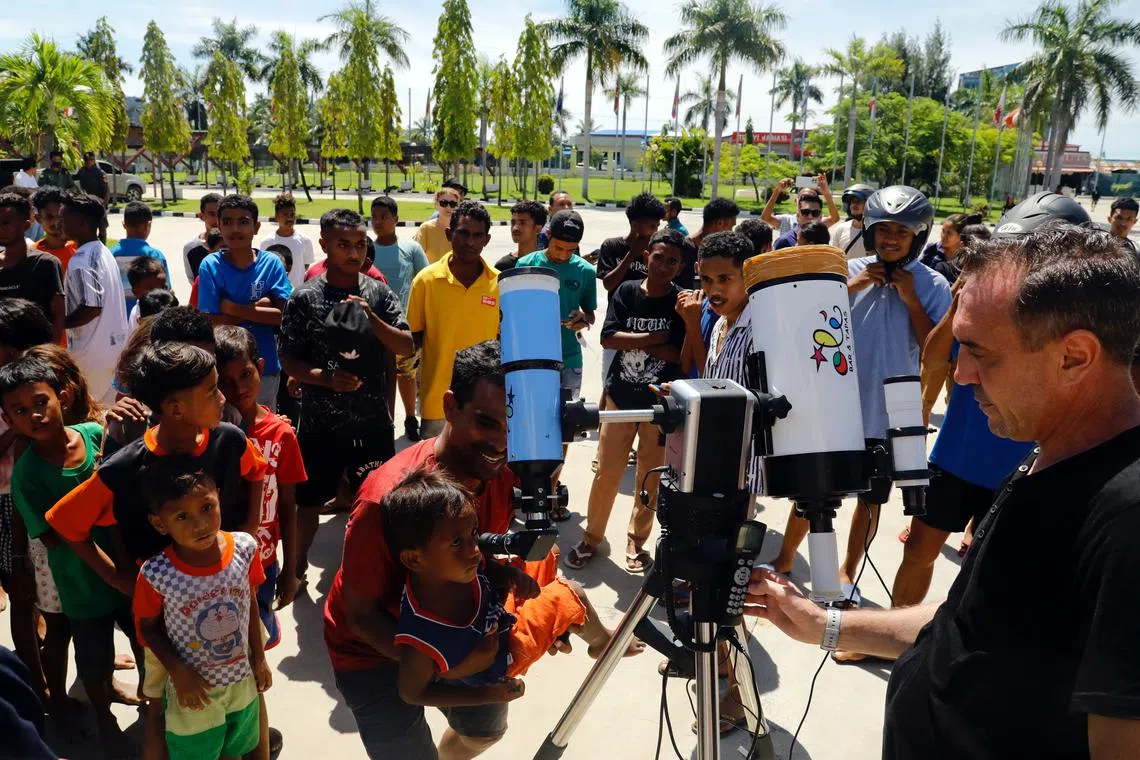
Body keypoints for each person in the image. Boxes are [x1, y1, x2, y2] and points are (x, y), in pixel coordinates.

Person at [748, 222, 1140, 759]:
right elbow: (967, 620)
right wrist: (828, 625)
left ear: (1074, 356)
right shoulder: (1049, 455)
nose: (962, 375)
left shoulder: (1126, 517)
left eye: (982, 353)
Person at [323, 340, 640, 760]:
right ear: (450, 406)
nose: (502, 442)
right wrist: (443, 665)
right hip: (370, 652)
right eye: (487, 421)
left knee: (485, 732)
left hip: (463, 637)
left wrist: (503, 579)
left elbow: (477, 558)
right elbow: (359, 612)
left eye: (515, 425)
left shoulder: (505, 474)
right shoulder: (385, 501)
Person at [768, 186, 952, 655]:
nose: (891, 239)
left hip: (891, 409)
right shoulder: (843, 272)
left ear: (917, 235)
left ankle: (848, 570)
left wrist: (910, 298)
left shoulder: (932, 284)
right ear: (869, 232)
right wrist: (852, 286)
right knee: (814, 489)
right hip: (836, 401)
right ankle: (784, 560)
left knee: (871, 499)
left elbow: (935, 355)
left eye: (902, 231)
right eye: (883, 230)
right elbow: (806, 322)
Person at [389, 469, 638, 710]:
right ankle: (602, 643)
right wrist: (485, 695)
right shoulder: (423, 635)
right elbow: (412, 693)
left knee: (546, 554)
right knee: (571, 594)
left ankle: (557, 626)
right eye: (456, 542)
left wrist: (511, 575)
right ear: (414, 560)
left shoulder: (450, 567)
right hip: (507, 653)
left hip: (499, 612)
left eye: (473, 535)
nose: (474, 549)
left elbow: (486, 569)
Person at [2, 354, 141, 755]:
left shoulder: (96, 433)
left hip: (126, 574)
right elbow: (53, 536)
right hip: (81, 586)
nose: (34, 415)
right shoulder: (27, 475)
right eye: (20, 411)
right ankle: (104, 721)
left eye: (40, 401)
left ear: (63, 397)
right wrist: (99, 494)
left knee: (140, 643)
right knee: (93, 663)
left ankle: (155, 706)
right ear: (9, 421)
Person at [280, 208, 412, 583]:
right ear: (324, 245)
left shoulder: (378, 292)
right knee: (308, 502)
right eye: (343, 245)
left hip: (371, 423)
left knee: (378, 502)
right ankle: (296, 569)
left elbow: (405, 344)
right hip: (320, 422)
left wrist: (373, 319)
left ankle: (380, 573)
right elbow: (288, 358)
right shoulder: (305, 298)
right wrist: (324, 378)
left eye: (359, 244)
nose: (353, 252)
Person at [564, 228, 686, 572]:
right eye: (658, 257)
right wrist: (653, 338)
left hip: (660, 407)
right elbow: (607, 339)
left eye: (672, 261)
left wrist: (633, 340)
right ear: (647, 256)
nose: (663, 265)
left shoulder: (680, 302)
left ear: (679, 267)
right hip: (619, 400)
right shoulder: (627, 292)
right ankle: (592, 538)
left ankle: (637, 540)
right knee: (606, 473)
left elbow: (675, 352)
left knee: (650, 477)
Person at [133, 466, 271, 760]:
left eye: (207, 507)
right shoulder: (157, 573)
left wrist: (259, 658)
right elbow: (148, 628)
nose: (200, 524)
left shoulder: (245, 548)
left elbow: (251, 603)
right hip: (194, 691)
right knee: (197, 750)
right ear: (159, 524)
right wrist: (178, 672)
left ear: (218, 498)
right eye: (182, 517)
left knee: (234, 747)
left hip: (240, 681)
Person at [214, 325, 306, 644]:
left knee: (259, 642)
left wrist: (291, 570)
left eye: (245, 374)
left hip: (264, 562)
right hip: (217, 567)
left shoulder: (281, 435)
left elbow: (288, 505)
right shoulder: (208, 436)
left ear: (261, 369)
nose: (238, 388)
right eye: (224, 381)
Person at [406, 201, 500, 439]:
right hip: (437, 404)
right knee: (437, 474)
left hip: (486, 404)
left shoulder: (500, 284)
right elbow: (412, 340)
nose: (470, 242)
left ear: (486, 240)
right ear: (449, 234)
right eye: (464, 233)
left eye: (478, 236)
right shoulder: (425, 281)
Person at [197, 193, 293, 411]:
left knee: (262, 430)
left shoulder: (271, 263)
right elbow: (213, 322)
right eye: (228, 222)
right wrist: (260, 307)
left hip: (265, 366)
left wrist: (232, 308)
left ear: (256, 226)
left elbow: (283, 316)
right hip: (223, 371)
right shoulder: (210, 265)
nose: (235, 229)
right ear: (219, 227)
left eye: (243, 222)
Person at [369, 196, 430, 440]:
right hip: (375, 326)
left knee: (407, 374)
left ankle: (409, 417)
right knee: (381, 377)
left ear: (396, 219)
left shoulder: (411, 248)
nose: (378, 222)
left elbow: (424, 281)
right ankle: (384, 420)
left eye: (384, 217)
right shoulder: (368, 249)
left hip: (405, 326)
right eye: (374, 217)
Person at [62, 190, 129, 403]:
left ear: (82, 223)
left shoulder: (82, 260)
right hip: (111, 353)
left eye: (65, 219)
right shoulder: (102, 251)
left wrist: (57, 323)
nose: (59, 224)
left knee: (89, 417)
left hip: (91, 356)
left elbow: (91, 307)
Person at [0, 192, 66, 344]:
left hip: (34, 359)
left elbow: (58, 315)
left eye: (6, 223)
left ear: (27, 225)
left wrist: (48, 355)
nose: (1, 228)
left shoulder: (45, 264)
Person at [595, 192, 666, 292]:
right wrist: (631, 255)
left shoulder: (656, 251)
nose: (655, 231)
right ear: (634, 225)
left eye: (657, 226)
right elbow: (608, 285)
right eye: (652, 226)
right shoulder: (611, 246)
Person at [111, 201, 171, 315]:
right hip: (148, 319)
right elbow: (167, 292)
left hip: (118, 319)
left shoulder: (111, 254)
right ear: (148, 225)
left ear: (124, 224)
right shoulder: (156, 256)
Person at [258, 192, 315, 290]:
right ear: (276, 217)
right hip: (274, 292)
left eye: (292, 214)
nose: (289, 218)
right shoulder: (267, 242)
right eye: (285, 214)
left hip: (296, 293)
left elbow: (305, 265)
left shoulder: (305, 240)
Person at [761, 176, 839, 239]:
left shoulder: (818, 220)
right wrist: (777, 191)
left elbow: (834, 218)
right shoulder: (787, 220)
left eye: (811, 198)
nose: (810, 216)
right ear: (796, 201)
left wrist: (826, 192)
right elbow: (766, 217)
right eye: (803, 197)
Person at [32, 185, 77, 276]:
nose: (56, 222)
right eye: (49, 216)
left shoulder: (79, 249)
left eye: (60, 216)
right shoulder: (32, 255)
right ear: (38, 218)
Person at [495, 200, 547, 271]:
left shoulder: (547, 264)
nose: (515, 228)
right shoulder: (503, 266)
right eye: (513, 223)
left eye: (522, 223)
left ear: (538, 229)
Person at [414, 187, 462, 264]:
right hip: (431, 274)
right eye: (444, 203)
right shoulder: (426, 228)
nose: (448, 207)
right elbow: (415, 256)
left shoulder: (462, 230)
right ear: (436, 204)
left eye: (453, 204)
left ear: (458, 206)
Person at [182, 193, 222, 284]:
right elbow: (193, 281)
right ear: (201, 216)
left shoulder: (235, 244)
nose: (217, 220)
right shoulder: (190, 248)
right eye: (212, 214)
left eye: (219, 214)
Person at [829, 183, 875, 259]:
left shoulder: (877, 232)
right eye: (852, 202)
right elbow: (834, 257)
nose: (853, 205)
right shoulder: (841, 229)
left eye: (858, 202)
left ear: (869, 205)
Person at [126, 257, 169, 332]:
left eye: (164, 288)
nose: (161, 294)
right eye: (152, 291)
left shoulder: (169, 309)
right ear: (136, 292)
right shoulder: (141, 315)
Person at [75, 153, 110, 243]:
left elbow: (106, 190)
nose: (88, 163)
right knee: (87, 227)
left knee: (102, 228)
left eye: (90, 160)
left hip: (99, 203)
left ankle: (103, 246)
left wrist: (104, 204)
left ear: (93, 161)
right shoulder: (82, 171)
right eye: (86, 161)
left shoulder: (100, 173)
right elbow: (76, 181)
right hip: (86, 203)